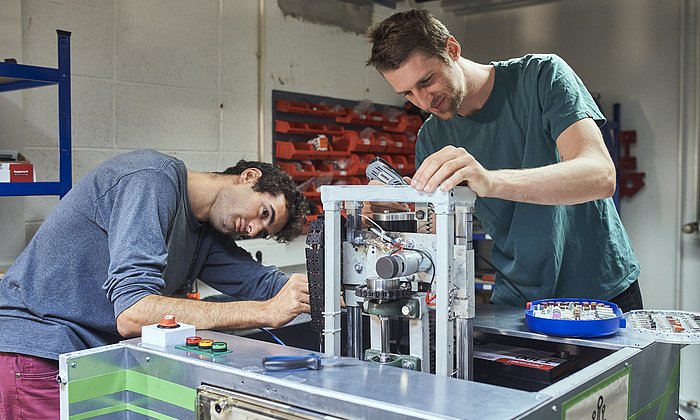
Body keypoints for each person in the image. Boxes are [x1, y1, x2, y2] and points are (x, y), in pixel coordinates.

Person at [365, 9, 642, 311]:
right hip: (517, 300)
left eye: (427, 81)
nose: (424, 101)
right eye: (408, 93)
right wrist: (397, 216)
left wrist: (489, 181)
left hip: (600, 290)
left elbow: (600, 177)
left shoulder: (542, 76)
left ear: (452, 50)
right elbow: (437, 237)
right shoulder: (431, 137)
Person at [0, 149, 310, 418]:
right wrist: (264, 312)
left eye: (264, 230)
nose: (254, 229)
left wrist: (338, 290)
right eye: (263, 213)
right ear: (249, 177)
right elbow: (133, 311)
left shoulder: (205, 233)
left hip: (86, 359)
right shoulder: (152, 180)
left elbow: (266, 284)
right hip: (39, 355)